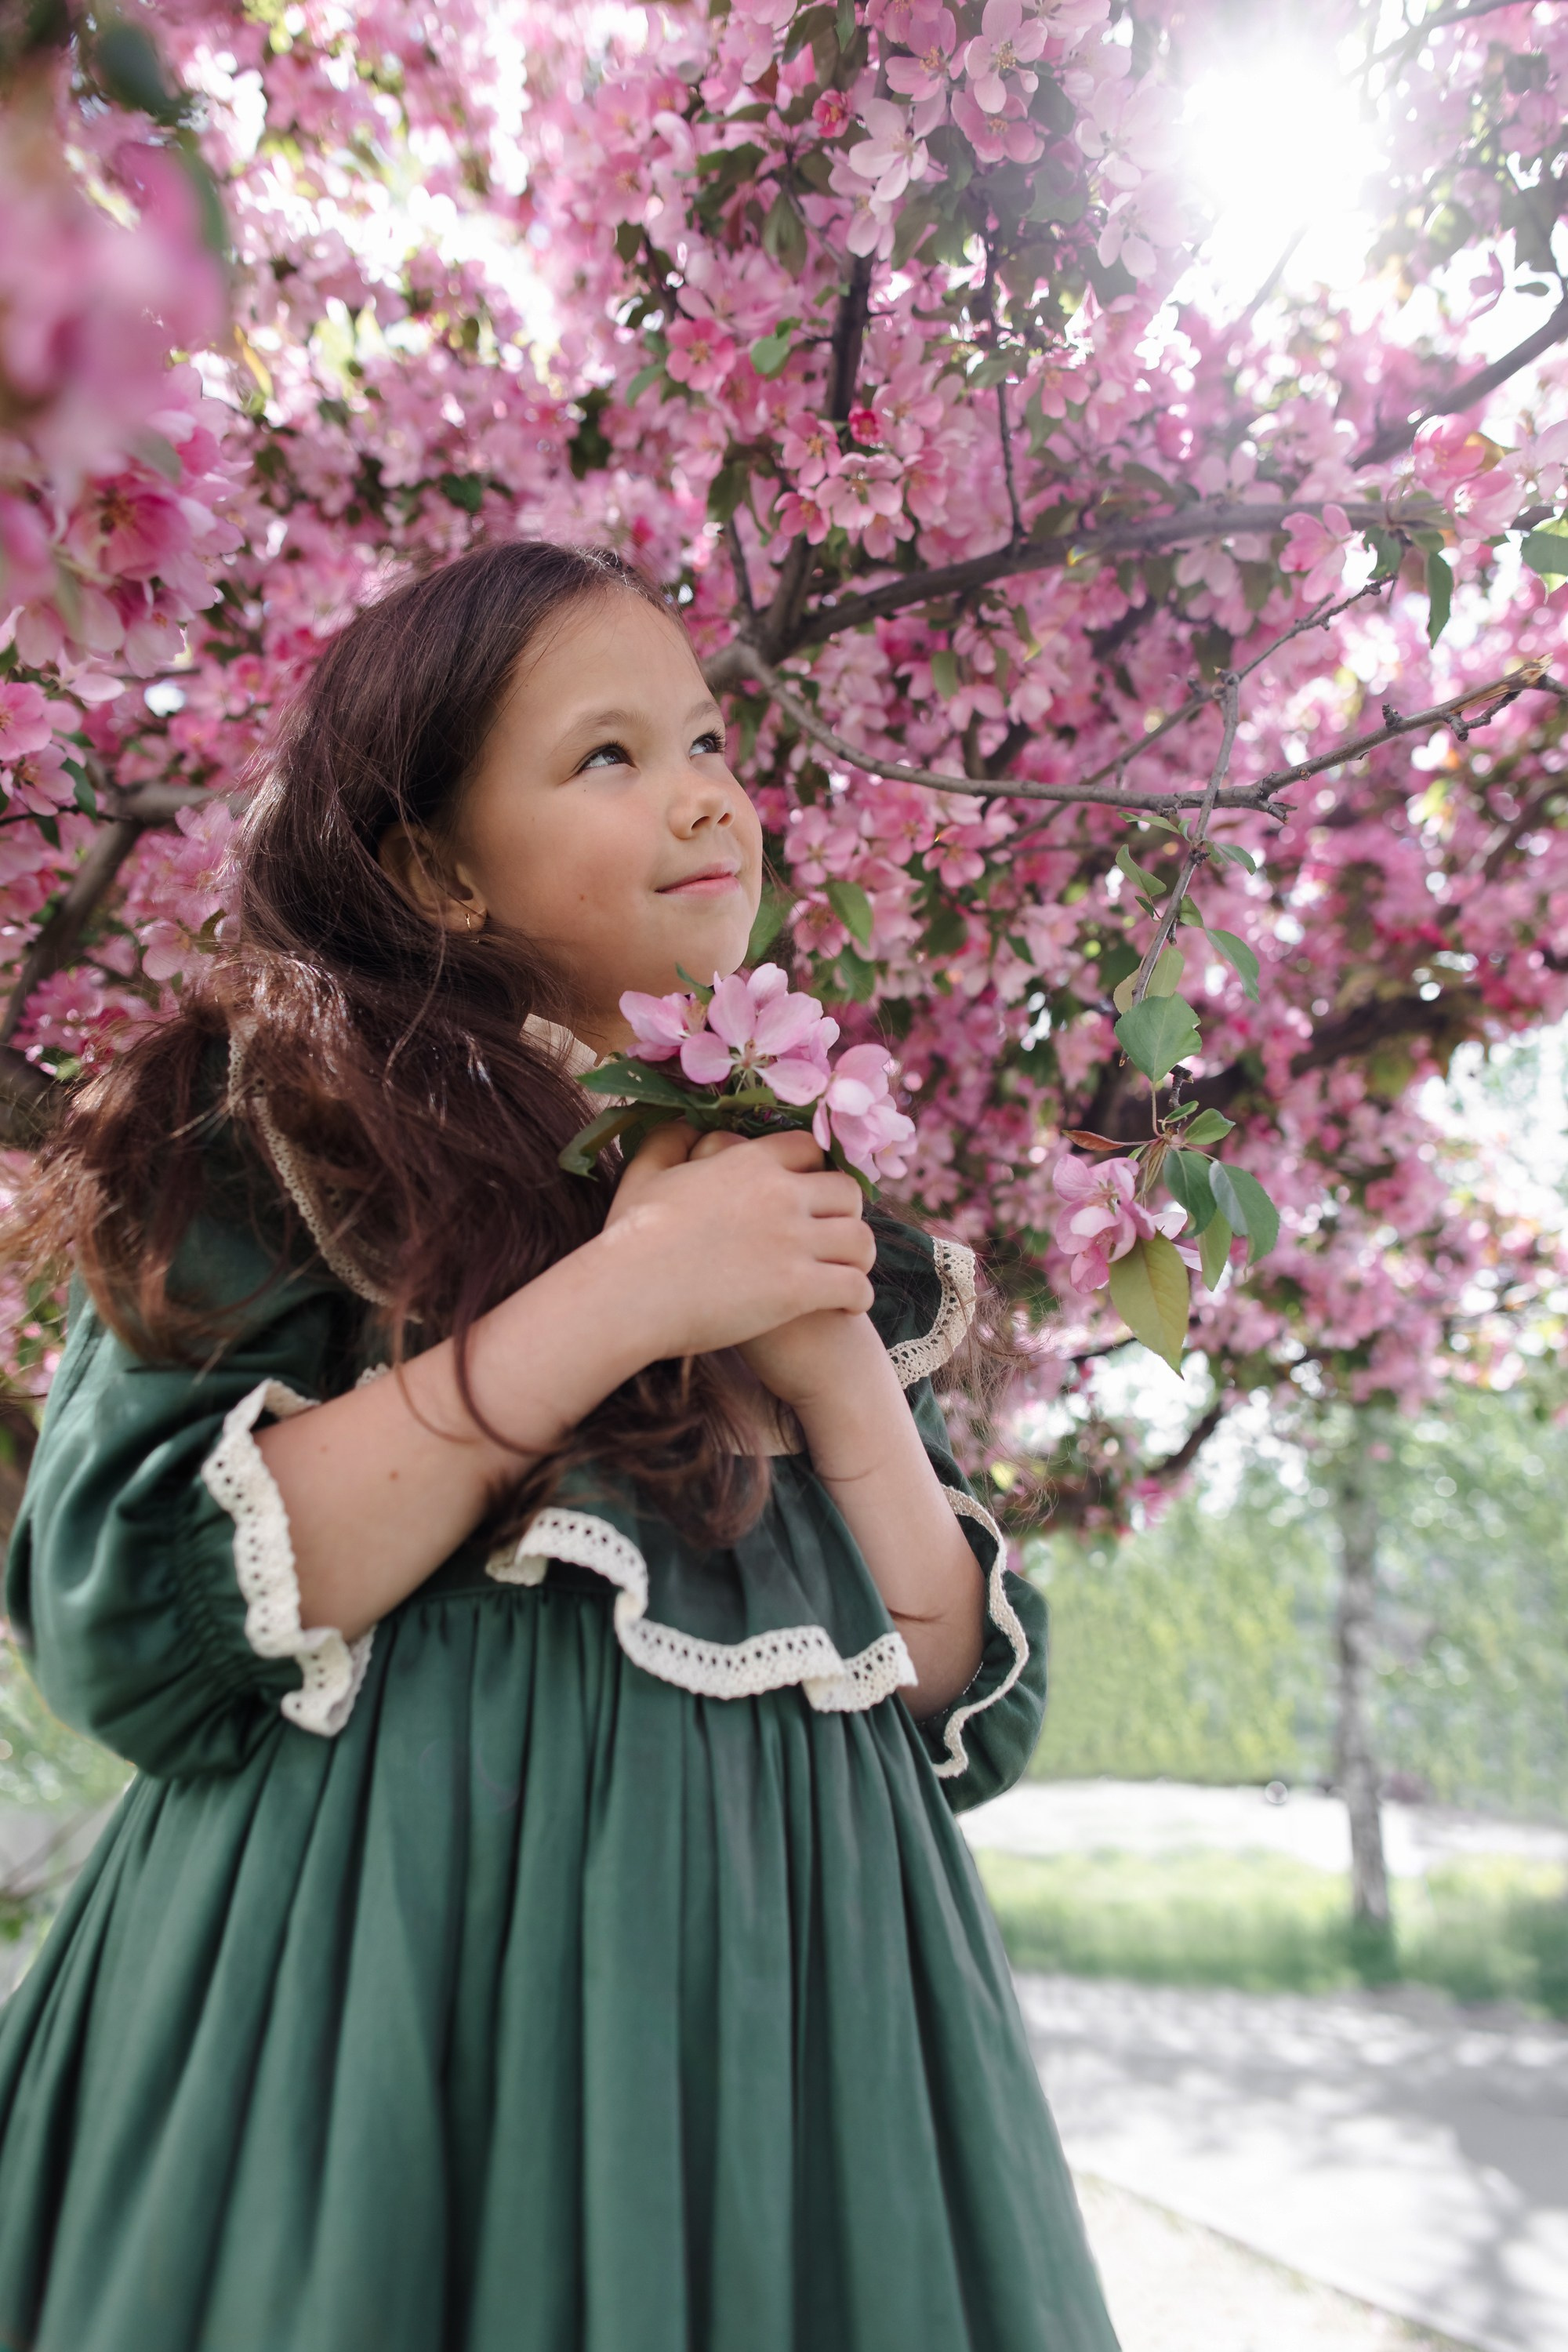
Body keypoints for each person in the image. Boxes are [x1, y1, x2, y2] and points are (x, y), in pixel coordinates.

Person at [0, 541, 1119, 2352]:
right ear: (437, 870)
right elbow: (131, 1624)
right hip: (367, 2016)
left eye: (706, 740)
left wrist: (835, 1372)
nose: (704, 795)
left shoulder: (781, 1178)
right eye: (608, 755)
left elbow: (955, 1709)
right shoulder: (282, 1120)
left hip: (797, 2042)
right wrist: (624, 1295)